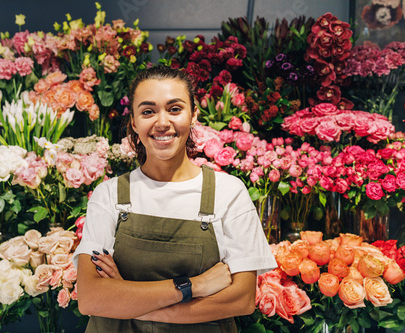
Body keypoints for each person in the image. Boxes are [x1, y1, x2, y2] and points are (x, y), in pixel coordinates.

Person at [72, 65, 277, 332]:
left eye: (175, 109)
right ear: (134, 122)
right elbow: (91, 299)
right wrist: (195, 286)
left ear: (193, 115)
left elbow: (241, 300)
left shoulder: (229, 193)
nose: (162, 122)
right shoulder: (108, 196)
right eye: (148, 111)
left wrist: (128, 302)